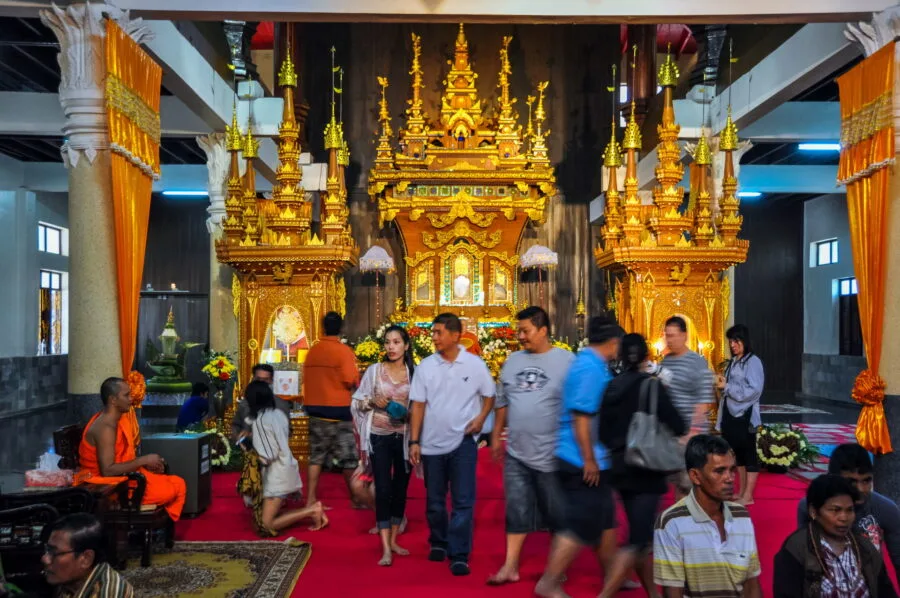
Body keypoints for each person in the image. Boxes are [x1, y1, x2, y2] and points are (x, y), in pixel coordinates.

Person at [534, 315, 624, 598]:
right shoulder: (589, 369)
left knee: (605, 519)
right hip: (579, 458)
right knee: (581, 523)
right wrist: (589, 459)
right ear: (612, 343)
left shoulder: (591, 364)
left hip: (589, 455)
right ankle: (549, 582)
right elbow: (582, 417)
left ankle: (614, 573)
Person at [486, 306, 574, 586]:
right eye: (519, 331)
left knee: (557, 514)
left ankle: (556, 570)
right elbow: (502, 401)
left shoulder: (566, 360)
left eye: (525, 331)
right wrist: (496, 435)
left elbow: (578, 405)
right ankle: (510, 566)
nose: (520, 336)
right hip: (516, 452)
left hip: (552, 453)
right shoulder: (512, 361)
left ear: (543, 330)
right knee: (517, 509)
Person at [598, 333, 687, 598]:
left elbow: (602, 431)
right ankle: (605, 594)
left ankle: (653, 593)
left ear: (621, 356)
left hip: (619, 467)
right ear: (646, 357)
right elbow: (678, 424)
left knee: (641, 534)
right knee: (638, 540)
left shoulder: (611, 386)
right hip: (645, 468)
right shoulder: (651, 386)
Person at [408, 312, 495, 577]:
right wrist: (414, 440)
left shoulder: (474, 365)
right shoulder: (426, 366)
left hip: (463, 444)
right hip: (432, 445)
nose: (433, 337)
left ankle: (459, 553)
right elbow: (418, 406)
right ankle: (438, 541)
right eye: (432, 332)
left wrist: (480, 418)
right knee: (434, 501)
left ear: (455, 335)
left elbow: (490, 395)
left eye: (438, 332)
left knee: (463, 500)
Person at [654, 434, 762, 598]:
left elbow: (752, 585)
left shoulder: (742, 516)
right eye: (719, 471)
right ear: (695, 476)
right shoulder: (671, 523)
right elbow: (672, 592)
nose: (730, 478)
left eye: (732, 470)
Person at [75, 378, 186, 522]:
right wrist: (144, 460)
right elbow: (107, 471)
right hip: (110, 486)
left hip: (125, 477)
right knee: (172, 489)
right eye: (126, 395)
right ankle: (140, 526)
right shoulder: (105, 428)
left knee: (178, 483)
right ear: (113, 400)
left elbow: (124, 457)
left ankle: (149, 528)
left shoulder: (120, 420)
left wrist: (146, 464)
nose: (131, 398)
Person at [775, 474, 897, 598]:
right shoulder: (795, 550)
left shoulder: (865, 548)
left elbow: (886, 592)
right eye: (835, 510)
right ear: (813, 511)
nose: (844, 518)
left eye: (849, 510)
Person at [353, 325, 415, 566]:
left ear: (406, 345)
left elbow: (422, 408)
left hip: (405, 439)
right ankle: (385, 548)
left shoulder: (414, 373)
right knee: (384, 490)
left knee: (400, 490)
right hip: (379, 436)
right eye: (388, 342)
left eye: (396, 342)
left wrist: (408, 415)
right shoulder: (374, 371)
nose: (391, 347)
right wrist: (372, 401)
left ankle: (395, 540)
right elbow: (357, 402)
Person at [797, 443, 900, 575]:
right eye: (852, 482)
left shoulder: (886, 509)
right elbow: (804, 557)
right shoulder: (811, 507)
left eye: (866, 481)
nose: (861, 489)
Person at [242, 380, 327, 534]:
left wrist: (249, 448)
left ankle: (312, 510)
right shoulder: (277, 413)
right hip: (286, 466)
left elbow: (268, 454)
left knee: (266, 525)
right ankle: (311, 510)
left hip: (276, 473)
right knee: (261, 519)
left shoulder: (260, 420)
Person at [303, 312, 369, 509]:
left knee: (316, 456)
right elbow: (350, 379)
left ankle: (311, 499)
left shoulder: (312, 351)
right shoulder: (343, 352)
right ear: (341, 328)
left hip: (315, 410)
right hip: (338, 411)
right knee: (348, 457)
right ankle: (356, 498)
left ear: (323, 327)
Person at [661, 316, 715, 499]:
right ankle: (680, 522)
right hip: (672, 436)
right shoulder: (666, 362)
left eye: (674, 335)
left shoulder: (696, 362)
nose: (670, 340)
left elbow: (702, 402)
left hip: (691, 436)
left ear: (684, 335)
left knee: (691, 485)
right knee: (680, 485)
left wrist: (690, 435)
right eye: (667, 335)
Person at [715, 324, 764, 505]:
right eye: (730, 342)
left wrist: (727, 387)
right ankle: (742, 492)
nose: (733, 345)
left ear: (744, 341)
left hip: (745, 415)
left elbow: (754, 390)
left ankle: (748, 495)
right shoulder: (735, 361)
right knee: (738, 455)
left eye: (736, 341)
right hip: (730, 412)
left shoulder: (753, 362)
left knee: (749, 454)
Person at [42, 513, 133, 598]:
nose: (45, 559)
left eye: (54, 553)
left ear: (86, 559)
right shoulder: (70, 581)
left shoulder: (107, 593)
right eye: (48, 550)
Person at [231, 364, 293, 440]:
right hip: (246, 449)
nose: (261, 383)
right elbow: (236, 425)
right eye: (258, 379)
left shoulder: (281, 405)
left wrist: (256, 436)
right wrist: (238, 436)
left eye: (265, 380)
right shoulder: (244, 403)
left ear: (271, 381)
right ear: (253, 379)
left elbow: (287, 432)